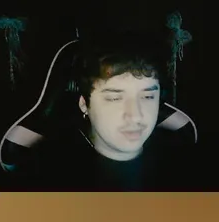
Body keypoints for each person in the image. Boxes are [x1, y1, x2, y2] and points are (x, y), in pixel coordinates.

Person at [13, 32, 201, 191]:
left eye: (147, 96)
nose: (135, 115)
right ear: (84, 104)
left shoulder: (185, 167)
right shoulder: (47, 176)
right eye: (114, 98)